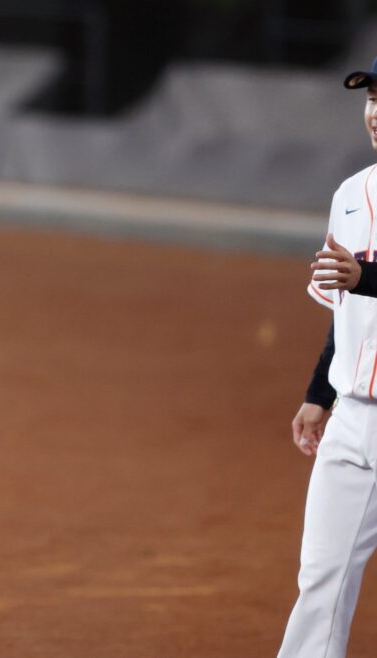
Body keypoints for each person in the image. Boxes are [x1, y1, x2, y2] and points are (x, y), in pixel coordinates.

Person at [279, 56, 377, 657]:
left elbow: (360, 282)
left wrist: (366, 277)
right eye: (372, 100)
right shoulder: (349, 195)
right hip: (352, 421)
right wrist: (319, 394)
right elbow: (344, 311)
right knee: (320, 581)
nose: (376, 113)